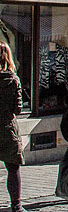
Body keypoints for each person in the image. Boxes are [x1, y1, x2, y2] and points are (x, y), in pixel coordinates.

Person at [0, 41, 25, 212]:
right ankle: (16, 205)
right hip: (7, 128)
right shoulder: (12, 80)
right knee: (12, 167)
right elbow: (18, 108)